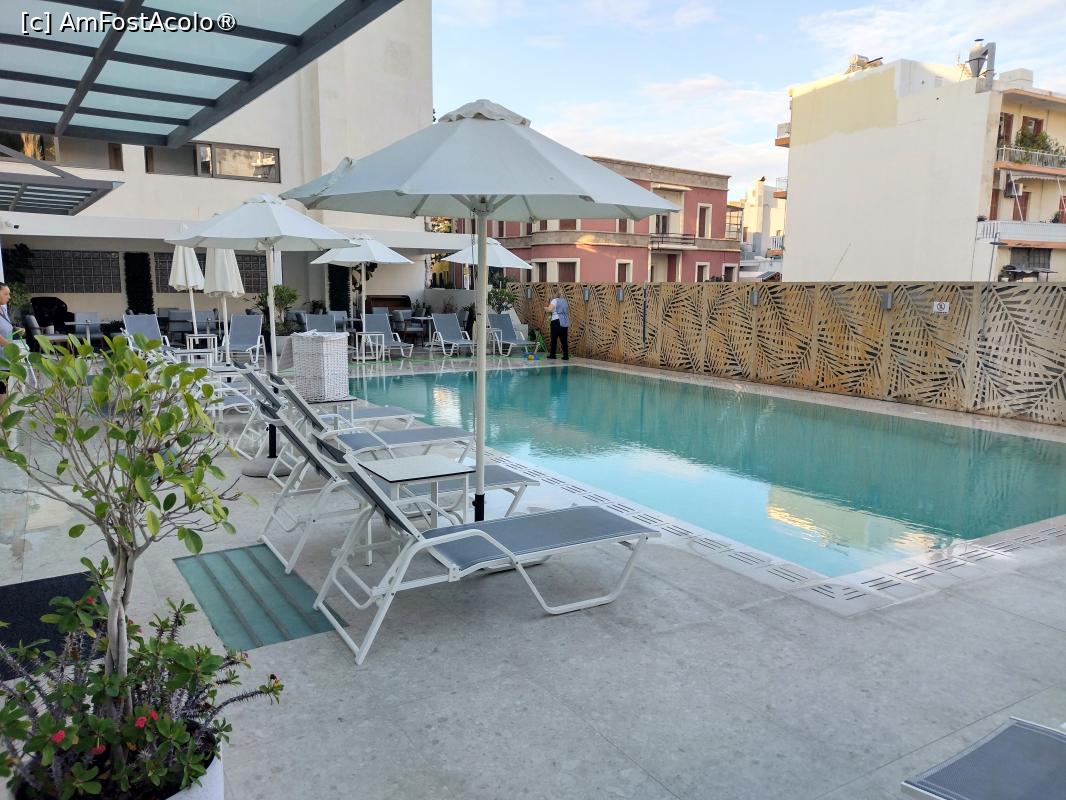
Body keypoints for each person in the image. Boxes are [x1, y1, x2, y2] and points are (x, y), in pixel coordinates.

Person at [544, 289, 570, 360]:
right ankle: (566, 355)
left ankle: (553, 355)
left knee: (554, 338)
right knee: (564, 339)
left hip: (556, 321)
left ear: (555, 294)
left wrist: (545, 308)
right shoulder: (565, 301)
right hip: (564, 321)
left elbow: (550, 309)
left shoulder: (554, 300)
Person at [0, 282, 13, 403]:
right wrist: (10, 346)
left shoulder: (2, 310)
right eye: (5, 294)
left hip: (5, 359)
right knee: (1, 391)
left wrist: (17, 330)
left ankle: (4, 413)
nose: (9, 297)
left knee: (3, 390)